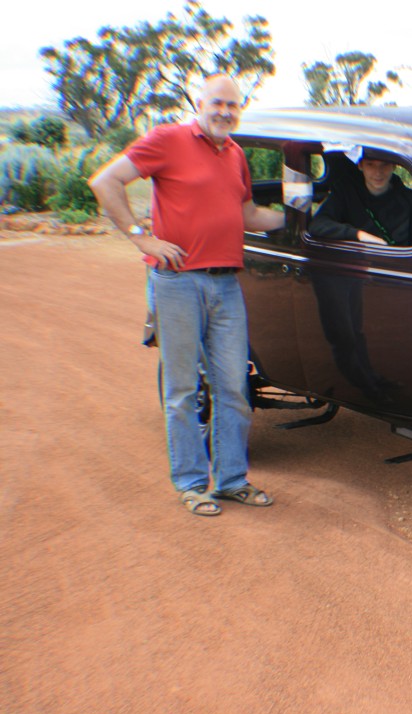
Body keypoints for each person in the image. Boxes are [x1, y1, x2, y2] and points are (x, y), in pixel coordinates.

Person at [90, 75, 285, 517]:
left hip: (226, 283)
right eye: (217, 103)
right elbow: (105, 182)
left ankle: (232, 480)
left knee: (234, 386)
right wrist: (142, 238)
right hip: (177, 282)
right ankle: (193, 483)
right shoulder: (168, 139)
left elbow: (247, 214)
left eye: (233, 106)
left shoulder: (235, 155)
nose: (225, 112)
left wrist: (300, 215)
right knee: (182, 389)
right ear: (200, 102)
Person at [309, 156, 412, 246]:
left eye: (385, 164)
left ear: (394, 166)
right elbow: (317, 224)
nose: (378, 172)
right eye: (370, 164)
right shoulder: (345, 193)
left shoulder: (411, 200)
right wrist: (359, 235)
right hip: (358, 265)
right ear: (360, 165)